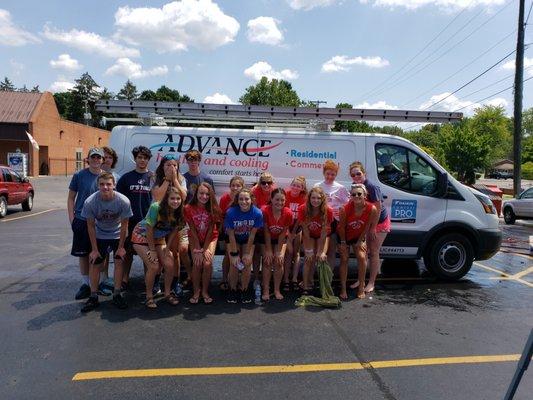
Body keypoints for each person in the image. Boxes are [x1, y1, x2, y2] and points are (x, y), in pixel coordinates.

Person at [80, 172, 133, 312]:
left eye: (108, 184)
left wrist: (121, 247)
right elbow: (90, 226)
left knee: (119, 262)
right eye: (102, 184)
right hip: (100, 233)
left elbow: (125, 225)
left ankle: (117, 294)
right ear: (98, 185)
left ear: (114, 185)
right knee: (95, 263)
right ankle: (93, 296)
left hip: (117, 234)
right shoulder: (90, 202)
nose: (105, 187)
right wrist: (94, 249)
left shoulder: (123, 201)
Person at [131, 186, 185, 309]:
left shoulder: (180, 211)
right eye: (172, 198)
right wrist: (152, 250)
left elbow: (174, 231)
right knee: (154, 265)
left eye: (178, 199)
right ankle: (149, 297)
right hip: (142, 235)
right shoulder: (156, 207)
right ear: (167, 198)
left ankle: (167, 293)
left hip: (159, 239)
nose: (175, 201)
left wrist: (168, 248)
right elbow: (149, 229)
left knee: (170, 264)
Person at [349, 161, 391, 293]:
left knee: (373, 252)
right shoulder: (355, 186)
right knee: (363, 252)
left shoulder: (371, 187)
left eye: (358, 173)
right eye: (353, 174)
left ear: (364, 173)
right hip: (367, 223)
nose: (356, 176)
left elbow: (377, 209)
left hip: (379, 222)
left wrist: (372, 228)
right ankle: (361, 280)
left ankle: (371, 282)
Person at [67, 147, 103, 300]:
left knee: (99, 253)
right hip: (81, 220)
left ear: (102, 160)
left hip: (101, 222)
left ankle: (98, 283)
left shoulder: (106, 177)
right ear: (88, 159)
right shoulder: (79, 175)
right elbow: (71, 198)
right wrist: (72, 219)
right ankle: (86, 284)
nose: (96, 160)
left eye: (98, 157)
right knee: (83, 254)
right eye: (93, 157)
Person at [116, 146, 154, 292]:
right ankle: (125, 279)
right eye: (139, 157)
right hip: (128, 222)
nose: (142, 160)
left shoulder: (152, 178)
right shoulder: (126, 178)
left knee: (147, 253)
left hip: (146, 223)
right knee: (127, 252)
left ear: (148, 160)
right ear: (135, 159)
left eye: (145, 158)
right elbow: (118, 200)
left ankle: (147, 280)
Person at [152, 154, 188, 294]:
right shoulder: (155, 178)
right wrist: (167, 180)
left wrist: (175, 180)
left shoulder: (182, 179)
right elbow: (158, 196)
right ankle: (156, 281)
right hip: (159, 220)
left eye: (174, 165)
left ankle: (175, 282)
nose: (171, 167)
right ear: (162, 166)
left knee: (174, 252)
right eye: (168, 165)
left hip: (175, 220)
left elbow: (184, 196)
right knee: (160, 253)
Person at [337, 184, 378, 300]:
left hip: (359, 236)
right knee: (344, 258)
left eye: (359, 194)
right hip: (345, 236)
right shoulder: (344, 209)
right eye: (353, 194)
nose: (356, 196)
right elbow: (341, 228)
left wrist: (360, 241)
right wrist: (344, 243)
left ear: (365, 195)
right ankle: (343, 289)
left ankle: (361, 286)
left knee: (361, 256)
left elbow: (366, 226)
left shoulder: (372, 209)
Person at [224, 188, 263, 304]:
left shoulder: (257, 213)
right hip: (233, 239)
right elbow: (230, 235)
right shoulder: (231, 212)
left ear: (251, 200)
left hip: (247, 239)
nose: (244, 202)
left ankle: (244, 289)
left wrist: (246, 253)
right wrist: (235, 254)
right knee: (234, 263)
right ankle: (233, 289)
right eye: (241, 199)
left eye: (246, 199)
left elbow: (252, 235)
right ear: (237, 200)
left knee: (247, 262)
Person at [185, 182, 221, 304]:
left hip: (210, 238)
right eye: (201, 193)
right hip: (194, 238)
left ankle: (205, 291)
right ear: (196, 194)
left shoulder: (213, 209)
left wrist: (204, 249)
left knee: (207, 263)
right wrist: (198, 249)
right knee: (197, 262)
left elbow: (211, 231)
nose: (204, 196)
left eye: (207, 194)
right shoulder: (188, 208)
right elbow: (192, 230)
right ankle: (196, 291)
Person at [314, 160, 351, 270]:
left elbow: (349, 205)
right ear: (324, 173)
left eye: (333, 174)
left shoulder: (340, 188)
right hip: (320, 221)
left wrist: (340, 208)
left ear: (336, 175)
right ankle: (319, 274)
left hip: (334, 222)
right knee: (319, 250)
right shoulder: (318, 186)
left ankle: (328, 277)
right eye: (328, 174)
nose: (330, 177)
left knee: (331, 250)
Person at [297, 187, 333, 295]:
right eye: (313, 198)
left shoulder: (328, 211)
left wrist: (321, 251)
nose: (316, 200)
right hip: (310, 235)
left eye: (318, 198)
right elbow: (306, 231)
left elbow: (324, 233)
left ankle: (324, 283)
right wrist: (308, 249)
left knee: (320, 258)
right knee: (309, 258)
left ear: (322, 199)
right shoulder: (303, 209)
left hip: (322, 235)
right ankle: (306, 284)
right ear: (309, 198)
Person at [261, 188, 293, 301]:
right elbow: (266, 232)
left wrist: (279, 251)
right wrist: (269, 250)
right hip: (266, 239)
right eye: (277, 199)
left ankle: (276, 290)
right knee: (267, 261)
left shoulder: (288, 213)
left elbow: (283, 233)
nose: (280, 203)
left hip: (280, 239)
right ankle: (265, 290)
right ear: (271, 199)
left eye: (282, 200)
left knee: (279, 261)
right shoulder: (265, 211)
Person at [217, 176, 245, 291]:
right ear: (229, 186)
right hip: (228, 231)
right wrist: (221, 230)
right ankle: (224, 279)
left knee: (241, 256)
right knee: (228, 256)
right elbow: (221, 216)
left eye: (238, 185)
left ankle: (237, 279)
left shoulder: (244, 198)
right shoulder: (224, 198)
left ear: (242, 187)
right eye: (233, 185)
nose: (235, 188)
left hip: (242, 231)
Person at [283, 176, 307, 291]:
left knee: (296, 253)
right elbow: (283, 214)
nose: (296, 187)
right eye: (294, 185)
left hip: (297, 228)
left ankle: (294, 279)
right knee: (288, 253)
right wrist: (288, 233)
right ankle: (286, 279)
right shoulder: (286, 195)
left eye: (299, 186)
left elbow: (301, 218)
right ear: (291, 185)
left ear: (302, 188)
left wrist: (293, 232)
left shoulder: (303, 198)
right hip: (286, 227)